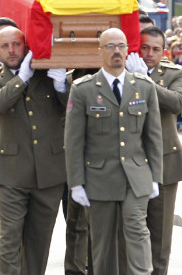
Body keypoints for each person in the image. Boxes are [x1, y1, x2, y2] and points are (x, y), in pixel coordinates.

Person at [67, 27, 163, 274]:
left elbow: (153, 136)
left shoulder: (144, 86)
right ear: (100, 51)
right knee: (103, 242)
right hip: (100, 178)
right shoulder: (83, 89)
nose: (117, 51)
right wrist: (76, 183)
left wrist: (155, 177)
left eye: (121, 46)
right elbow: (75, 141)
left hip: (136, 176)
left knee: (137, 229)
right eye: (110, 46)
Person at [0, 26, 70, 275]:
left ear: (26, 46)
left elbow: (75, 107)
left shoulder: (48, 76)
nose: (11, 50)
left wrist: (62, 85)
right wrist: (22, 79)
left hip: (48, 174)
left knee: (39, 242)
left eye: (16, 44)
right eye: (5, 46)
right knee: (7, 240)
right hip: (10, 174)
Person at [138, 26, 182, 275]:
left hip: (165, 162)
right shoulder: (122, 71)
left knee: (159, 236)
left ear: (163, 51)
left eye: (155, 49)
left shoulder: (174, 73)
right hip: (130, 162)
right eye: (144, 47)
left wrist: (146, 81)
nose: (149, 53)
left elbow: (177, 102)